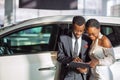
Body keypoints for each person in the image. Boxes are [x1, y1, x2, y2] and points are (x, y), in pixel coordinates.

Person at [57, 16, 91, 80]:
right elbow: (60, 56)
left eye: (81, 31)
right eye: (76, 30)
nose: (78, 33)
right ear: (72, 26)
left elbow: (90, 59)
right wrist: (71, 59)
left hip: (82, 76)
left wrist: (86, 70)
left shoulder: (88, 40)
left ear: (84, 29)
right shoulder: (63, 38)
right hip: (67, 75)